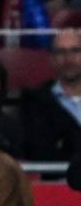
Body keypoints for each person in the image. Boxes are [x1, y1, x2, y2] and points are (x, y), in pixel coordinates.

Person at [22, 29, 81, 162]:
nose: (68, 59)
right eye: (61, 52)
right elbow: (40, 152)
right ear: (52, 59)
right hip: (59, 180)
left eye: (75, 51)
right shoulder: (35, 102)